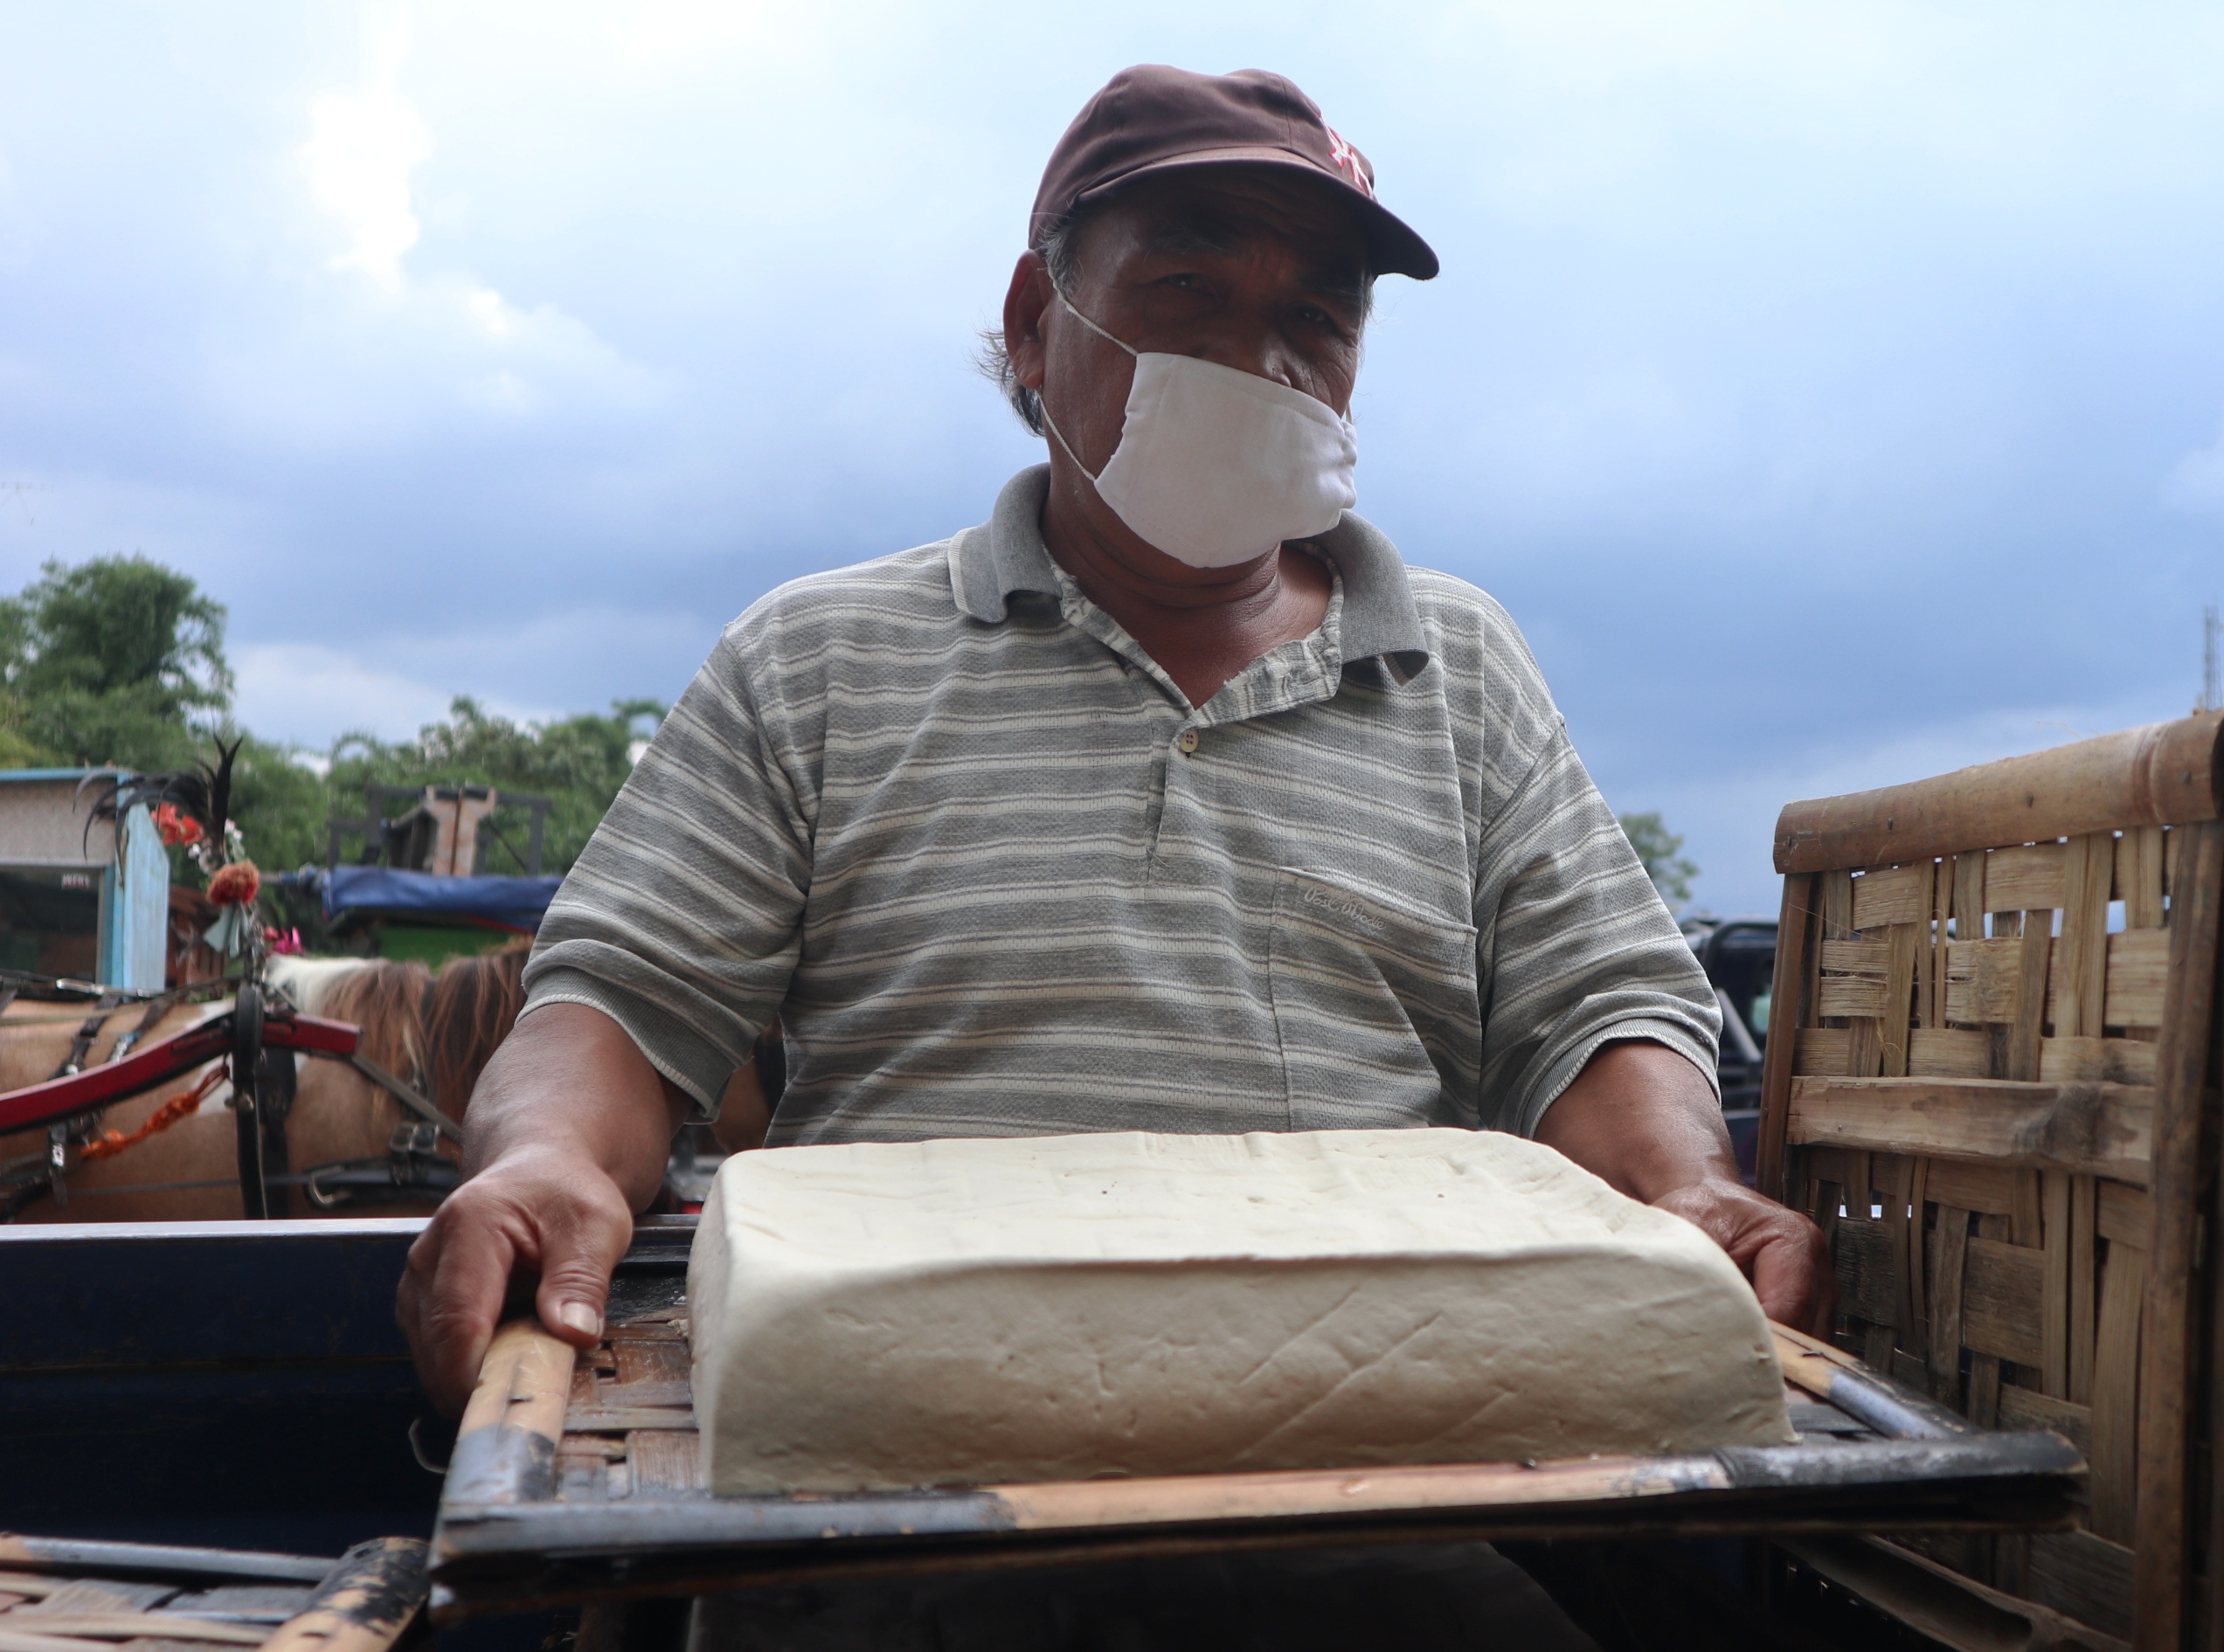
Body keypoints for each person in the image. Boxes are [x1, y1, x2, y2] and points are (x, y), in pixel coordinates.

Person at [398, 65, 1833, 1412]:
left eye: (1315, 320)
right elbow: (619, 1007)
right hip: (896, 1431)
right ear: (1036, 323)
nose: (1255, 362)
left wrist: (1684, 1182)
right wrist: (545, 1154)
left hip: (1369, 1429)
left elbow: (1597, 1005)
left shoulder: (1459, 666)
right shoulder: (813, 656)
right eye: (1186, 289)